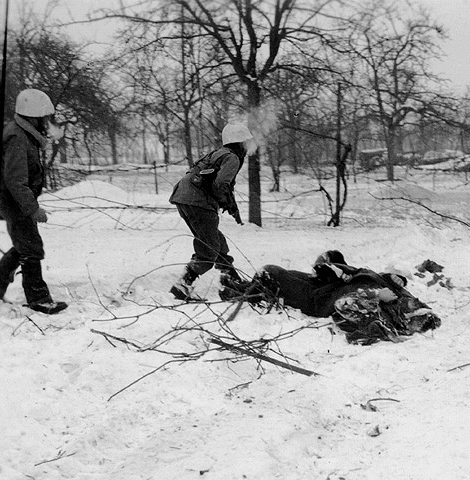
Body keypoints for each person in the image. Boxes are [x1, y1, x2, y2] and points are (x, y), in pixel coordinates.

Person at [220, 250, 441, 344]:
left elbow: (345, 304)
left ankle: (240, 292)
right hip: (324, 286)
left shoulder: (395, 298)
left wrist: (377, 295)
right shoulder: (382, 280)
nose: (401, 284)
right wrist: (338, 270)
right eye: (399, 279)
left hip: (316, 300)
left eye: (403, 282)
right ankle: (242, 288)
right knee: (273, 274)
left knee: (271, 273)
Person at [0, 89, 68, 314]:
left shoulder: (23, 134)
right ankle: (38, 299)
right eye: (44, 118)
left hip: (14, 200)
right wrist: (33, 208)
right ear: (33, 115)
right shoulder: (17, 136)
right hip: (13, 201)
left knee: (23, 245)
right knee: (31, 247)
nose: (47, 122)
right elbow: (15, 180)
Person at [169, 122, 255, 301]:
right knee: (209, 249)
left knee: (217, 242)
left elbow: (215, 182)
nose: (247, 148)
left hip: (184, 198)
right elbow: (220, 184)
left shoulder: (218, 153)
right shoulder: (232, 158)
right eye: (246, 143)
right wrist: (226, 202)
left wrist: (229, 203)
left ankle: (231, 281)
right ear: (239, 143)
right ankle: (183, 284)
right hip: (198, 202)